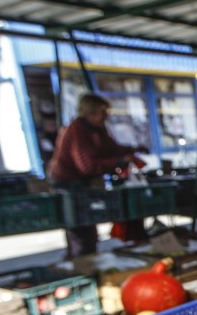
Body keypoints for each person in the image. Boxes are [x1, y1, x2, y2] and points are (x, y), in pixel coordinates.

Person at [48, 93, 146, 257]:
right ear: (90, 113)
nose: (106, 116)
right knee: (82, 234)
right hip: (68, 185)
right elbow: (86, 166)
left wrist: (132, 150)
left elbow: (111, 148)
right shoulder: (76, 130)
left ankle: (82, 264)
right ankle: (79, 270)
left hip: (82, 185)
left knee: (88, 232)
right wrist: (119, 161)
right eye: (103, 112)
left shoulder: (97, 130)